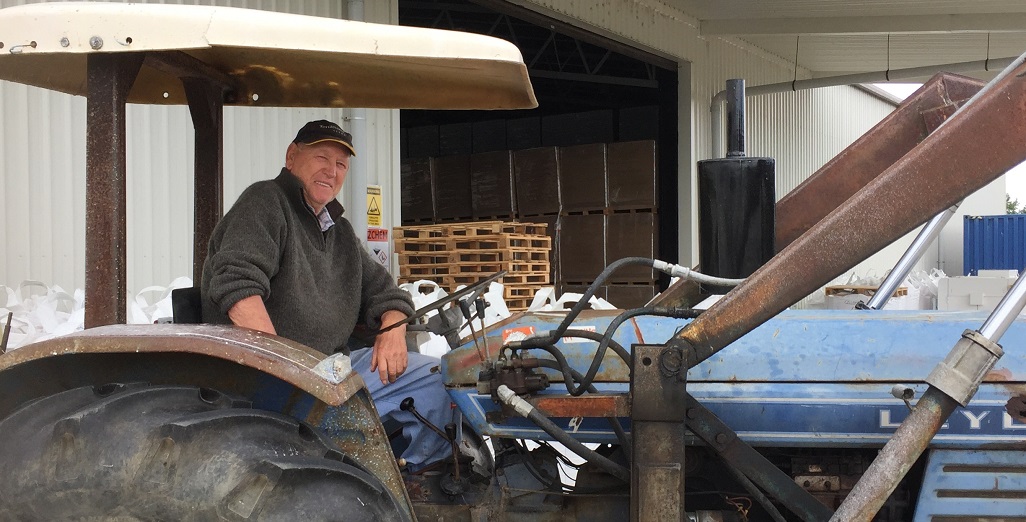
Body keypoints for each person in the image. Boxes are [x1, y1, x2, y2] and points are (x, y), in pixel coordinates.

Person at [201, 119, 451, 472]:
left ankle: (424, 475)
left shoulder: (339, 231)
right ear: (292, 157)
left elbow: (386, 292)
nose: (331, 171)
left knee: (437, 376)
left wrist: (394, 327)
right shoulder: (266, 203)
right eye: (321, 157)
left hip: (331, 368)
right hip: (276, 377)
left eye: (340, 164)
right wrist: (285, 369)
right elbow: (237, 287)